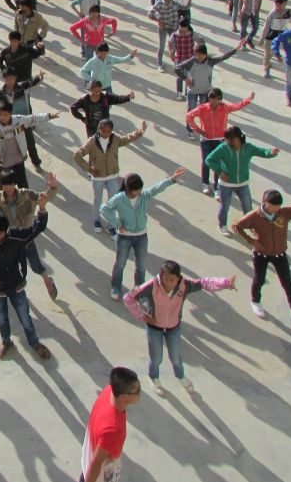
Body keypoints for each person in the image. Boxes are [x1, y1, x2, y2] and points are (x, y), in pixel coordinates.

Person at [124, 260, 236, 394]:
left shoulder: (185, 285)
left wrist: (226, 283)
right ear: (160, 275)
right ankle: (153, 377)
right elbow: (128, 298)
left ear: (178, 278)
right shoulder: (151, 285)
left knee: (176, 357)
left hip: (173, 328)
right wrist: (142, 316)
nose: (168, 283)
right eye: (165, 279)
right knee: (156, 357)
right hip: (154, 328)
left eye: (172, 280)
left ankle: (180, 375)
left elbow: (204, 283)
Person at [0, 195, 52, 360]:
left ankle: (35, 343)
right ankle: (6, 341)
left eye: (1, 233)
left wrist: (42, 209)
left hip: (16, 285)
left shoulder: (17, 236)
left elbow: (37, 228)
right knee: (2, 319)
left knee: (25, 318)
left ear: (7, 230)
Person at [234, 190, 291, 327]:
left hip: (280, 254)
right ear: (265, 202)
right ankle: (256, 301)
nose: (276, 210)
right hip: (261, 254)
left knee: (287, 284)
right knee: (260, 279)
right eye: (273, 207)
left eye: (278, 207)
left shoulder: (283, 213)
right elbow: (237, 226)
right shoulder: (255, 216)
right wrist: (251, 241)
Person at [101, 169, 186, 301]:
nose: (140, 192)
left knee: (141, 267)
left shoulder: (144, 196)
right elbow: (104, 209)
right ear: (129, 190)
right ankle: (115, 287)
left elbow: (156, 188)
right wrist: (117, 223)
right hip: (124, 237)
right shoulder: (119, 199)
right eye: (137, 190)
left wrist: (171, 180)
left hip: (141, 236)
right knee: (120, 264)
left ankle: (140, 291)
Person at [0, 170, 60, 299]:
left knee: (36, 265)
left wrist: (53, 187)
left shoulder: (26, 195)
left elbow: (45, 197)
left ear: (15, 184)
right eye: (5, 185)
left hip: (25, 238)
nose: (8, 188)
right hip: (8, 240)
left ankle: (47, 281)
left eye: (11, 184)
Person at [74, 118, 148, 236]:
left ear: (112, 131)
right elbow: (77, 155)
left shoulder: (115, 139)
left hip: (112, 176)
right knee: (97, 200)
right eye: (103, 131)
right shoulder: (92, 142)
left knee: (112, 202)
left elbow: (127, 139)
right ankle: (97, 221)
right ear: (99, 129)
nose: (106, 134)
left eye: (108, 131)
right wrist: (90, 169)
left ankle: (111, 225)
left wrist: (140, 131)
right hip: (98, 178)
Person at [204, 126, 280, 235]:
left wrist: (271, 152)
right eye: (226, 139)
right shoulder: (223, 148)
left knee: (248, 206)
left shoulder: (248, 148)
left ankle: (250, 225)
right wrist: (220, 171)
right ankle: (222, 225)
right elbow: (209, 159)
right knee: (224, 206)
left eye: (228, 139)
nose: (226, 141)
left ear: (237, 138)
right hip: (226, 184)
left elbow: (262, 152)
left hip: (243, 184)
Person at [79, 367, 141, 482]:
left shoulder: (109, 391)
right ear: (124, 397)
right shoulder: (113, 430)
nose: (139, 393)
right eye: (137, 391)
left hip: (86, 465)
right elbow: (96, 464)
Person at [0, 102, 59, 188]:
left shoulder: (19, 120)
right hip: (3, 162)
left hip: (18, 160)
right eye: (0, 114)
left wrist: (49, 115)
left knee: (23, 187)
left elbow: (33, 118)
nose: (2, 117)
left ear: (10, 113)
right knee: (5, 188)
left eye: (5, 114)